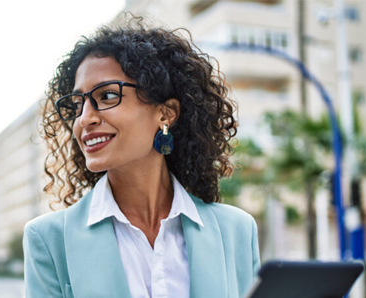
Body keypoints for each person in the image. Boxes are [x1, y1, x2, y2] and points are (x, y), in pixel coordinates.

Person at [23, 17, 260, 298]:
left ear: (165, 113)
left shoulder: (237, 231)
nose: (84, 119)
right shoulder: (49, 239)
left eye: (108, 95)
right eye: (77, 105)